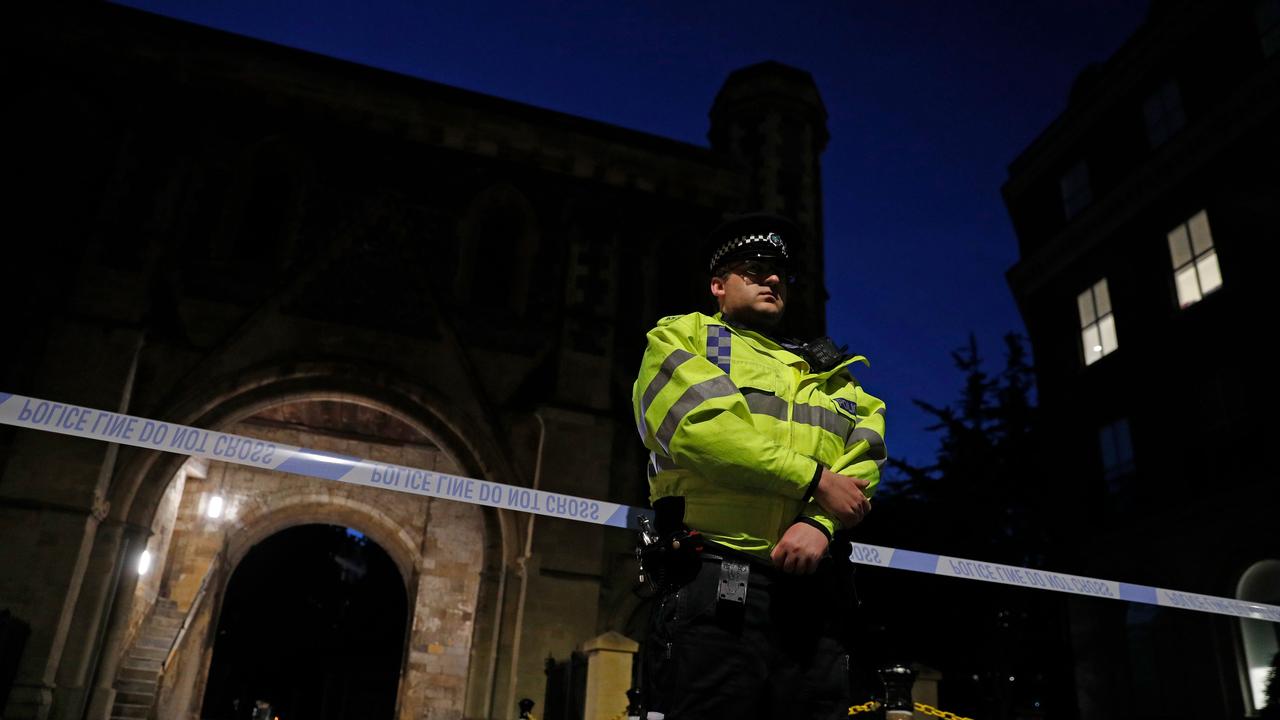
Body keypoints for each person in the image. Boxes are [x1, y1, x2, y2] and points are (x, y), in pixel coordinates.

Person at [631, 212, 886, 720]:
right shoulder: (686, 338)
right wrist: (813, 479)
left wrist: (819, 522)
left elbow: (865, 458)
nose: (771, 279)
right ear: (717, 286)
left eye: (780, 273)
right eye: (752, 268)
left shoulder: (836, 375)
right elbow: (700, 430)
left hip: (813, 589)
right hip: (715, 575)